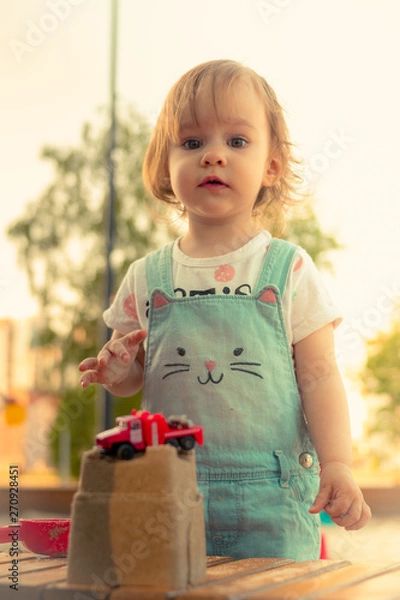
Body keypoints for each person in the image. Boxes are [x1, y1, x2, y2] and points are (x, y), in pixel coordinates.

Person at [79, 59, 371, 560]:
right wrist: (119, 370)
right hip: (164, 500)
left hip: (272, 503)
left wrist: (337, 464)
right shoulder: (145, 278)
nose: (213, 155)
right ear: (164, 166)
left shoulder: (289, 269)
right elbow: (135, 381)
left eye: (236, 141)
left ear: (271, 165)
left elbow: (320, 375)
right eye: (192, 143)